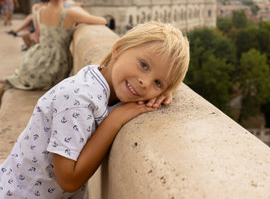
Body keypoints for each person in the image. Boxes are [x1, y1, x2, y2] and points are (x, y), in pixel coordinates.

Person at [0, 21, 190, 198]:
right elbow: (69, 179)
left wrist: (167, 91)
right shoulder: (79, 100)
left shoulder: (100, 79)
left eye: (157, 82)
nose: (144, 82)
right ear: (118, 49)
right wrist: (114, 121)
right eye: (143, 65)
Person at [0, 0, 107, 91]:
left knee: (14, 78)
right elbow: (102, 21)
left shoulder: (41, 11)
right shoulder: (69, 13)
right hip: (55, 66)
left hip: (35, 60)